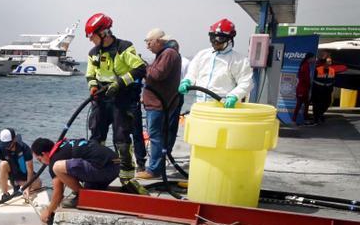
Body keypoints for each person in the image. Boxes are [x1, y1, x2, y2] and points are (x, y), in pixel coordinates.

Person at [83, 13, 148, 194]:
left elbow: (140, 68)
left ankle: (127, 178)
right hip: (101, 101)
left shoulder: (124, 47)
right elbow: (90, 74)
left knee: (121, 140)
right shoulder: (93, 53)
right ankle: (96, 174)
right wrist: (93, 86)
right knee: (96, 138)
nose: (90, 40)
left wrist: (120, 83)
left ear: (103, 33)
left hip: (123, 100)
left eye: (91, 36)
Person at [30, 137, 120, 224]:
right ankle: (85, 193)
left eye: (39, 159)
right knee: (90, 189)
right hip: (115, 166)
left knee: (57, 167)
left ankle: (82, 195)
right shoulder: (64, 145)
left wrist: (48, 211)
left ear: (44, 154)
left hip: (104, 169)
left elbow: (58, 192)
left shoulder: (55, 159)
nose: (42, 163)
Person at [138, 28, 182, 180]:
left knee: (156, 136)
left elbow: (157, 74)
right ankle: (157, 166)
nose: (147, 46)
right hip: (158, 103)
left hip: (159, 105)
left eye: (149, 42)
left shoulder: (168, 54)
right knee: (159, 136)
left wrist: (143, 67)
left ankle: (153, 170)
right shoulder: (164, 54)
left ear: (158, 41)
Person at [179, 18, 253, 108]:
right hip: (200, 106)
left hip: (221, 108)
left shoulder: (239, 61)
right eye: (212, 37)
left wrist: (234, 96)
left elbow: (246, 82)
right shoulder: (202, 55)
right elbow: (192, 73)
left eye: (220, 38)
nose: (215, 41)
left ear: (229, 39)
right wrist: (187, 81)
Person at [0, 128, 40, 199]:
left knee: (38, 184)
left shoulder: (25, 148)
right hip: (12, 174)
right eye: (4, 145)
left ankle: (19, 184)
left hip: (24, 175)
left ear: (14, 139)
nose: (6, 147)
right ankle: (5, 194)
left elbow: (30, 170)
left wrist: (27, 187)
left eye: (8, 144)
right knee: (3, 164)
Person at [311, 51, 336, 125]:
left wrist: (331, 89)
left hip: (327, 91)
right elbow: (313, 79)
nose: (329, 63)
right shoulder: (318, 69)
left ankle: (320, 114)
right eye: (328, 62)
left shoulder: (332, 70)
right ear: (324, 62)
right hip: (318, 90)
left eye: (330, 62)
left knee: (327, 103)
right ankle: (316, 118)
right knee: (316, 105)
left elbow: (333, 80)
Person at [292, 53, 314, 125]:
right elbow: (306, 78)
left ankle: (304, 119)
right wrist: (309, 84)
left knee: (306, 104)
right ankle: (294, 120)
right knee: (299, 105)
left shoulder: (305, 65)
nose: (314, 59)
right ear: (309, 58)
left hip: (303, 88)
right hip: (302, 89)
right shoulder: (305, 66)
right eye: (313, 58)